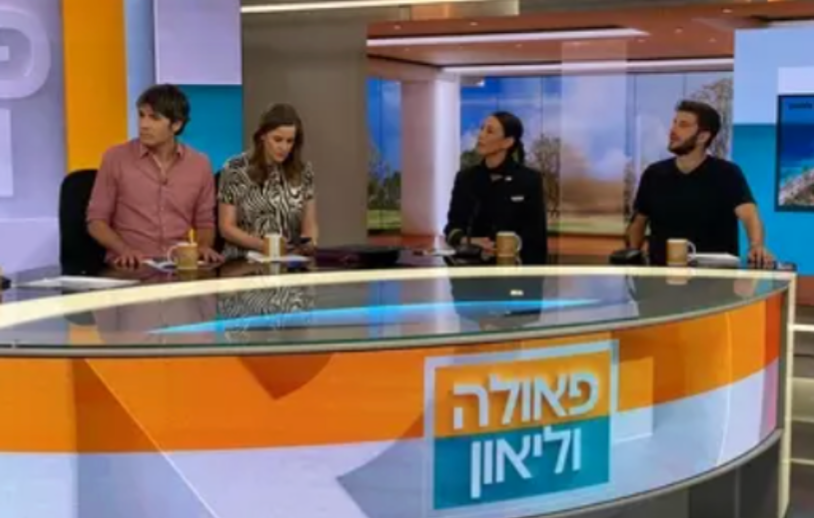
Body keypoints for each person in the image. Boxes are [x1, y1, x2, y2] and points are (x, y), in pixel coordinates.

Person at [87, 84, 222, 268]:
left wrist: (203, 247)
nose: (144, 125)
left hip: (179, 266)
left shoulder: (200, 164)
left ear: (176, 125)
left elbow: (205, 223)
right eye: (141, 115)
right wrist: (124, 250)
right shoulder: (115, 158)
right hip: (130, 266)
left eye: (154, 118)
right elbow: (96, 221)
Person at [627, 100, 773, 266]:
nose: (673, 130)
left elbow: (749, 215)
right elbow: (638, 222)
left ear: (703, 136)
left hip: (714, 275)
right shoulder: (653, 174)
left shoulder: (727, 174)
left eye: (683, 125)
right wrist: (632, 254)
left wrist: (756, 246)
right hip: (661, 274)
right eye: (674, 123)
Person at [444, 111, 548, 264]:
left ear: (507, 142)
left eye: (490, 131)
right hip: (471, 269)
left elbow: (536, 237)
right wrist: (470, 241)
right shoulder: (465, 178)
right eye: (482, 129)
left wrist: (509, 246)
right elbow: (452, 229)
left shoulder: (529, 180)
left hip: (513, 269)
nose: (481, 135)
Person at [218, 103, 318, 260]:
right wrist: (265, 246)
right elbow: (226, 227)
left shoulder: (303, 172)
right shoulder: (235, 169)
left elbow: (310, 225)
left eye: (289, 141)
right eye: (277, 140)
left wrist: (309, 243)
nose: (284, 147)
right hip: (243, 261)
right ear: (263, 135)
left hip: (290, 261)